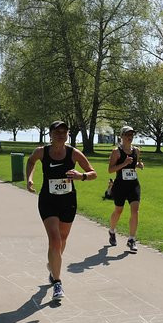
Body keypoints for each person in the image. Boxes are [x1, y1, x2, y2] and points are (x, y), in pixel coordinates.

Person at [26, 121, 96, 301]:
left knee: (62, 240)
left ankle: (53, 265)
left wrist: (81, 176)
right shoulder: (42, 151)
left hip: (68, 201)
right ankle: (57, 282)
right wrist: (29, 179)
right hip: (48, 201)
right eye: (57, 132)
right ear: (50, 133)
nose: (61, 135)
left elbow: (93, 173)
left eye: (64, 132)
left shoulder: (73, 153)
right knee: (55, 240)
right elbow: (31, 161)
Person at [107, 125, 144, 252]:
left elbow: (134, 165)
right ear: (121, 136)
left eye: (131, 135)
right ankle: (112, 231)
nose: (130, 137)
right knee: (119, 210)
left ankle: (132, 239)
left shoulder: (136, 151)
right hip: (120, 185)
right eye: (127, 135)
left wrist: (138, 165)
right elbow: (110, 170)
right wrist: (124, 163)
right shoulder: (116, 152)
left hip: (133, 184)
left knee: (135, 211)